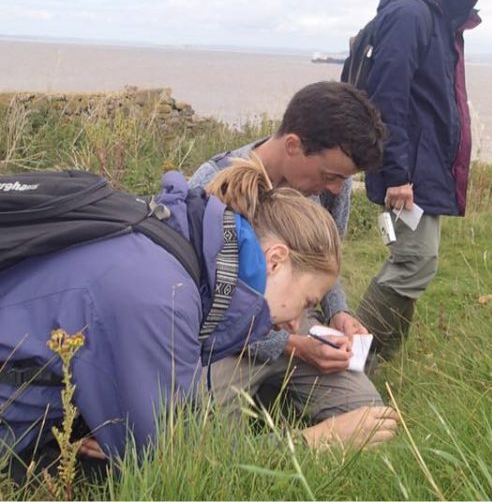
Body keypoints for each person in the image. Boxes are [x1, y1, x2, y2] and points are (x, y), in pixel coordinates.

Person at [0, 156, 398, 473]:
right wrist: (320, 440)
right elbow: (173, 463)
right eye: (308, 301)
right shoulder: (162, 295)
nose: (296, 324)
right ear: (276, 261)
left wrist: (133, 434)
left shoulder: (184, 240)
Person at [188, 81, 387, 422]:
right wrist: (292, 347)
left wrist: (338, 312)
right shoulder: (212, 184)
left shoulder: (332, 186)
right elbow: (202, 315)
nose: (337, 189)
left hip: (298, 320)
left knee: (366, 413)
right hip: (227, 338)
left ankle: (273, 392)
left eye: (344, 179)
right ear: (293, 145)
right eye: (331, 176)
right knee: (194, 430)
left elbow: (322, 266)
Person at [355, 0, 492, 360]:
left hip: (420, 167)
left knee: (418, 260)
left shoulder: (433, 15)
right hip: (409, 172)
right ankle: (356, 363)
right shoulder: (413, 13)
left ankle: (376, 358)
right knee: (412, 261)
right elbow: (388, 99)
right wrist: (396, 173)